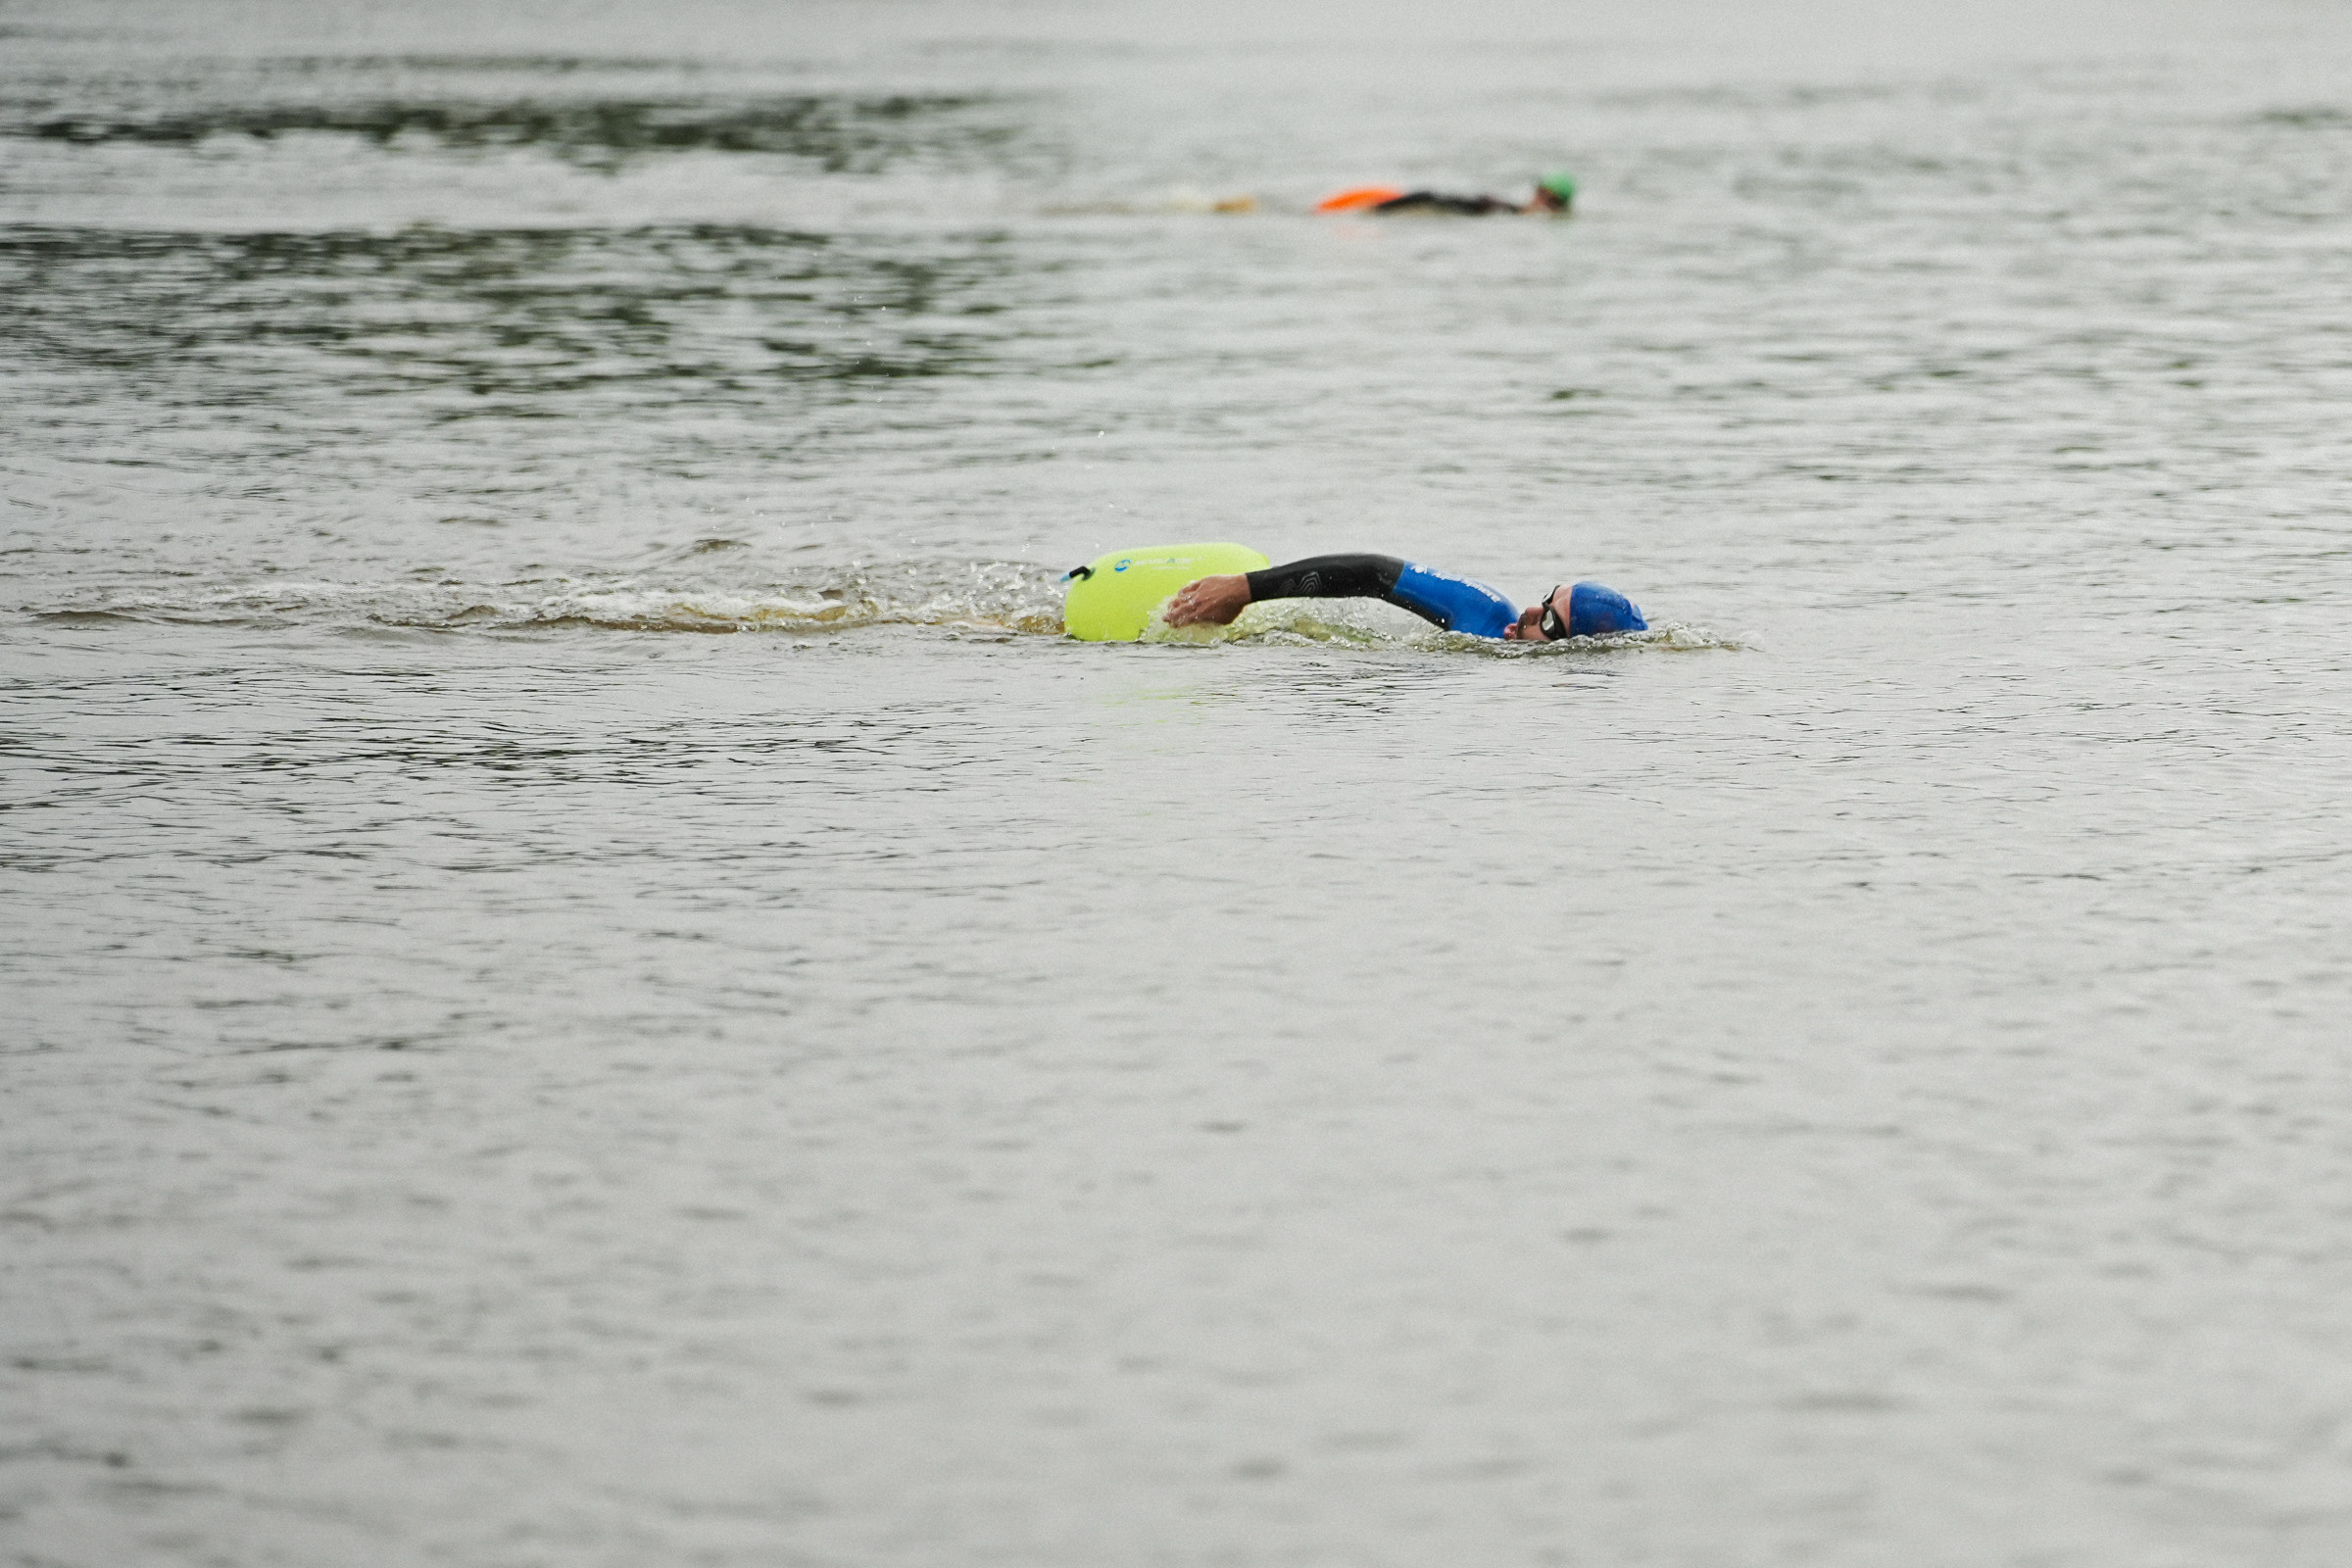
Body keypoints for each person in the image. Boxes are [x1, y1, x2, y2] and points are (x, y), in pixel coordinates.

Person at [1162, 554, 1644, 641]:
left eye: (1551, 623)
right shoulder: (1485, 611)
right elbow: (1373, 573)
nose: (1531, 611)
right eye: (1546, 598)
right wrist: (1245, 588)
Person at [1315, 171, 1576, 217]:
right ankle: (1375, 208)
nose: (1537, 197)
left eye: (1545, 195)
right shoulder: (1521, 212)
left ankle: (1374, 210)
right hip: (1464, 204)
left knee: (1425, 197)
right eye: (1538, 191)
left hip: (1465, 209)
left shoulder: (1521, 214)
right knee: (1425, 196)